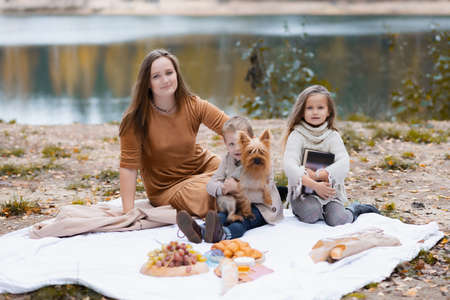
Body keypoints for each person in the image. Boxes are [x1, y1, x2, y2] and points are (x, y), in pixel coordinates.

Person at [119, 49, 229, 217]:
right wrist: (128, 212)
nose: (165, 80)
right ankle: (232, 208)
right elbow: (128, 168)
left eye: (169, 73)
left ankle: (246, 200)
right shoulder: (135, 120)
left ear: (176, 74)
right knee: (208, 191)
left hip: (203, 168)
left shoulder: (194, 104)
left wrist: (252, 153)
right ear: (147, 83)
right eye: (156, 76)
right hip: (168, 187)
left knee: (235, 175)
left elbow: (231, 128)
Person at [282, 85, 379, 226]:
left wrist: (319, 175)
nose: (315, 112)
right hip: (303, 193)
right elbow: (290, 166)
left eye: (320, 108)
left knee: (338, 220)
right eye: (309, 108)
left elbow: (343, 162)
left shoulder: (332, 136)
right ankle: (313, 209)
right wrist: (314, 185)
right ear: (301, 112)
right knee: (311, 213)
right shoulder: (297, 135)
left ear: (328, 112)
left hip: (328, 190)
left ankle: (355, 208)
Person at [177, 116, 283, 243]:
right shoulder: (228, 159)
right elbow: (211, 184)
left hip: (262, 208)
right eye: (231, 144)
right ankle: (201, 230)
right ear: (226, 144)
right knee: (221, 216)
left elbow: (263, 195)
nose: (236, 148)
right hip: (236, 205)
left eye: (240, 143)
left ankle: (223, 235)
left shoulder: (262, 161)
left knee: (242, 221)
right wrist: (223, 189)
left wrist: (237, 189)